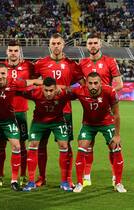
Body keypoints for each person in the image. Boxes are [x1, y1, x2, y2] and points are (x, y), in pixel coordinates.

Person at [0, 63, 42, 192]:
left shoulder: (14, 83)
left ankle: (14, 181)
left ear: (7, 74)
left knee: (17, 146)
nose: (0, 76)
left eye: (3, 74)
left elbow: (29, 82)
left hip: (8, 120)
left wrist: (41, 82)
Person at [33, 33, 83, 187]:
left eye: (58, 43)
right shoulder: (40, 64)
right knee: (41, 145)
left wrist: (66, 90)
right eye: (53, 43)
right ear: (50, 45)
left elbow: (82, 85)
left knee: (66, 145)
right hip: (43, 112)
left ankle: (67, 179)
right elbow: (32, 83)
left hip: (64, 111)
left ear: (63, 45)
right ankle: (41, 177)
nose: (56, 46)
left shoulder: (71, 65)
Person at [79, 32, 123, 187]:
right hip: (90, 110)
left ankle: (115, 178)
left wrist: (105, 93)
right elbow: (83, 85)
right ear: (87, 45)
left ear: (100, 44)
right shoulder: (82, 63)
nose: (92, 46)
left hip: (107, 110)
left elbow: (119, 83)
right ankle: (86, 177)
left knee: (113, 145)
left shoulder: (110, 61)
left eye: (95, 43)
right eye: (89, 43)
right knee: (87, 144)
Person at [71, 72, 126, 193]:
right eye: (90, 83)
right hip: (88, 125)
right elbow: (64, 93)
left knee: (116, 147)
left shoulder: (109, 91)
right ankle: (80, 183)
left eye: (96, 83)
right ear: (86, 84)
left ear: (101, 83)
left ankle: (118, 183)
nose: (93, 86)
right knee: (82, 147)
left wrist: (117, 135)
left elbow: (116, 115)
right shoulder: (79, 91)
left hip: (107, 123)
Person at [19, 77, 73, 192]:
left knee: (64, 145)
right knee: (33, 145)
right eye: (46, 90)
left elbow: (77, 90)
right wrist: (33, 82)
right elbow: (18, 90)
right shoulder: (35, 92)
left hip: (57, 121)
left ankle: (64, 182)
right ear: (42, 88)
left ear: (55, 89)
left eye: (51, 90)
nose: (48, 93)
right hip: (39, 122)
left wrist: (62, 87)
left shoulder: (62, 94)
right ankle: (31, 181)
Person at [0, 40, 34, 187]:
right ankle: (0, 175)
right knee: (1, 144)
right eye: (10, 50)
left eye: (15, 50)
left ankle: (23, 175)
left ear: (19, 52)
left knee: (22, 144)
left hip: (21, 111)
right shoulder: (0, 67)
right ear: (7, 52)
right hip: (3, 112)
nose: (13, 53)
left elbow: (37, 79)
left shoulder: (28, 66)